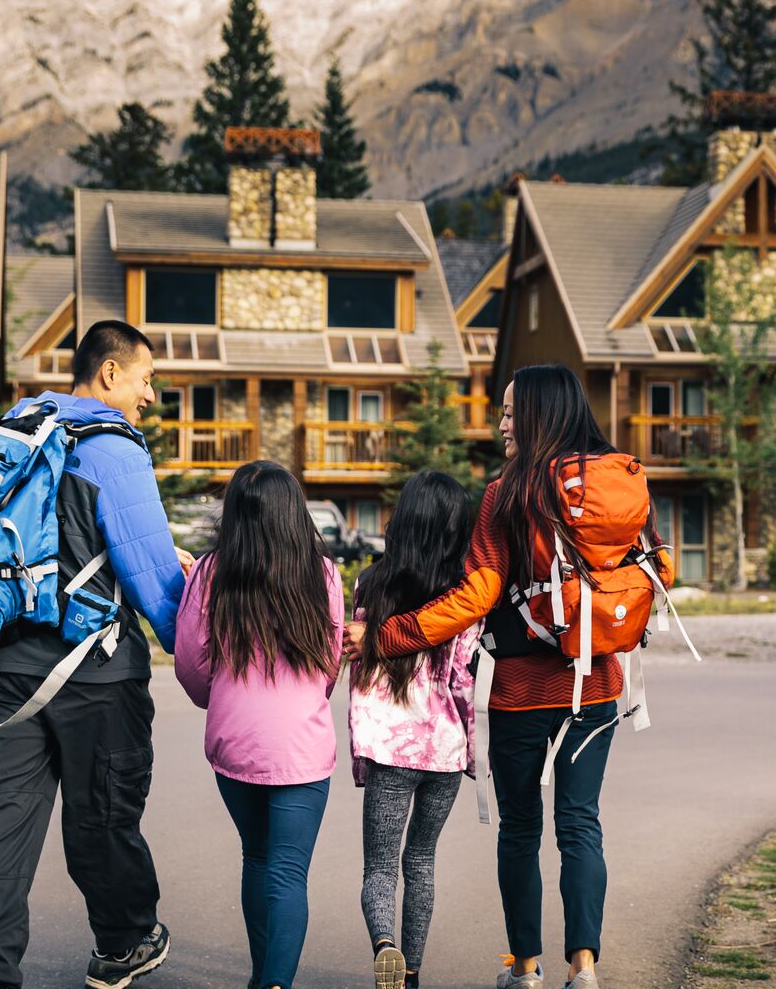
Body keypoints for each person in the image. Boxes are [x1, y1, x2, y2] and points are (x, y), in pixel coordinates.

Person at [343, 364, 666, 989]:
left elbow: (476, 596)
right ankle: (586, 968)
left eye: (513, 412)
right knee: (581, 823)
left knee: (521, 826)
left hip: (522, 692)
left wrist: (386, 637)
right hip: (598, 685)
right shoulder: (623, 485)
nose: (502, 425)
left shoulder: (507, 494)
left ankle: (524, 966)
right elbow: (659, 570)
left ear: (541, 414)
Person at [0, 320, 190, 989]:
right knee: (103, 817)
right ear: (109, 373)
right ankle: (124, 942)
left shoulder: (17, 427)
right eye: (144, 379)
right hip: (97, 675)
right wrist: (198, 661)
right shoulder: (113, 450)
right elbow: (153, 582)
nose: (148, 396)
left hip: (3, 668)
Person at [174, 459, 346, 989]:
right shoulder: (322, 573)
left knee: (256, 856)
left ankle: (260, 976)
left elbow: (190, 663)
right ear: (294, 513)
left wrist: (221, 699)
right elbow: (331, 659)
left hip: (237, 743)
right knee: (288, 871)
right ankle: (275, 983)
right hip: (301, 747)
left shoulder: (210, 571)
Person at [347, 471, 480, 989]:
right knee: (421, 861)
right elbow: (464, 681)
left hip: (389, 749)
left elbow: (357, 672)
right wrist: (470, 753)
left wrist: (363, 749)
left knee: (379, 866)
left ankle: (386, 947)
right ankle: (414, 975)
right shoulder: (462, 600)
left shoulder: (370, 585)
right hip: (442, 751)